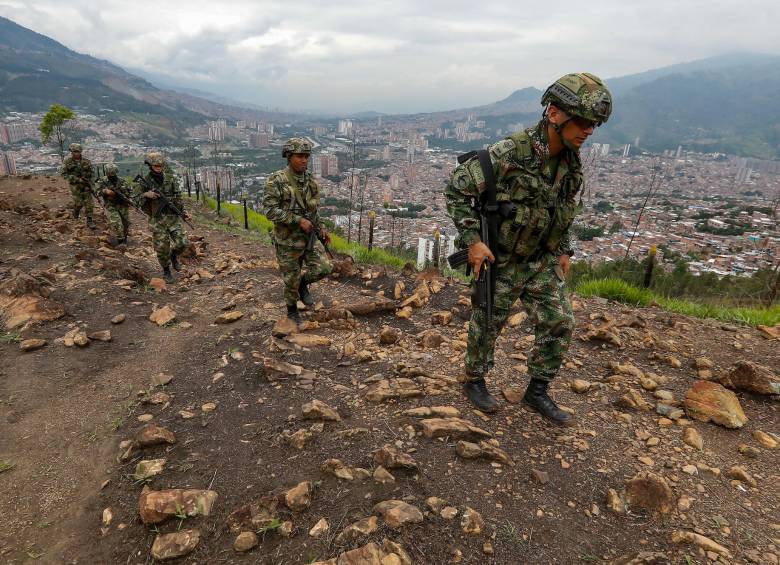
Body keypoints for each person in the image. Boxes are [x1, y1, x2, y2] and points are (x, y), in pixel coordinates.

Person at [444, 73, 612, 424]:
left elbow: (563, 210)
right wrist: (473, 242)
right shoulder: (509, 153)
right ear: (554, 114)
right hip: (502, 259)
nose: (589, 130)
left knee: (560, 322)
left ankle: (537, 391)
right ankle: (474, 380)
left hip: (541, 259)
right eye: (582, 121)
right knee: (488, 320)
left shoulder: (570, 162)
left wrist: (564, 249)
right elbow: (457, 190)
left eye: (593, 124)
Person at [262, 137, 333, 322]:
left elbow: (313, 211)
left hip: (308, 237)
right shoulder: (276, 180)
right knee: (290, 278)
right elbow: (269, 211)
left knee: (324, 267)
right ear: (289, 156)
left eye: (307, 156)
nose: (304, 160)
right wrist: (297, 220)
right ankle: (292, 311)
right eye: (300, 156)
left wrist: (322, 229)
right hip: (287, 240)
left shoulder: (310, 182)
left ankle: (303, 284)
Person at [135, 152, 190, 283]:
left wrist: (184, 212)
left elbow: (178, 198)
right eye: (156, 165)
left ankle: (173, 255)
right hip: (157, 220)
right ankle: (166, 270)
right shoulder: (145, 181)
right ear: (150, 166)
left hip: (172, 217)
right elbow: (135, 201)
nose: (159, 167)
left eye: (160, 165)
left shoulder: (170, 179)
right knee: (162, 248)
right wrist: (145, 195)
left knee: (183, 243)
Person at [95, 163, 132, 246]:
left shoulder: (122, 181)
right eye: (110, 174)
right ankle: (120, 241)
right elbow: (97, 192)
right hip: (110, 205)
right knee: (116, 223)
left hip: (122, 205)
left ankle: (124, 237)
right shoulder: (102, 181)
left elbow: (129, 192)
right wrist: (105, 191)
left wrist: (126, 196)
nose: (112, 175)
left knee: (125, 223)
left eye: (113, 173)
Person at [60, 143, 95, 228]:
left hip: (86, 185)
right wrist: (76, 179)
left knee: (89, 203)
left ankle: (89, 220)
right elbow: (64, 174)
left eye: (78, 151)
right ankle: (76, 212)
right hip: (75, 186)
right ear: (71, 152)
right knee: (79, 203)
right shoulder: (67, 162)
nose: (76, 153)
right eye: (74, 151)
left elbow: (92, 174)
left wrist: (90, 184)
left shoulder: (86, 162)